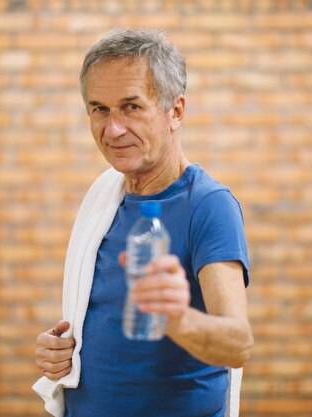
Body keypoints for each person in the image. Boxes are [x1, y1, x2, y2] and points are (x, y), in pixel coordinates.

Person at [34, 28, 253, 417]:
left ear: (177, 111)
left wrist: (176, 319)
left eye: (131, 107)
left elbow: (237, 343)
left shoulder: (209, 205)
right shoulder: (105, 196)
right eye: (99, 109)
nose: (112, 129)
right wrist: (59, 353)